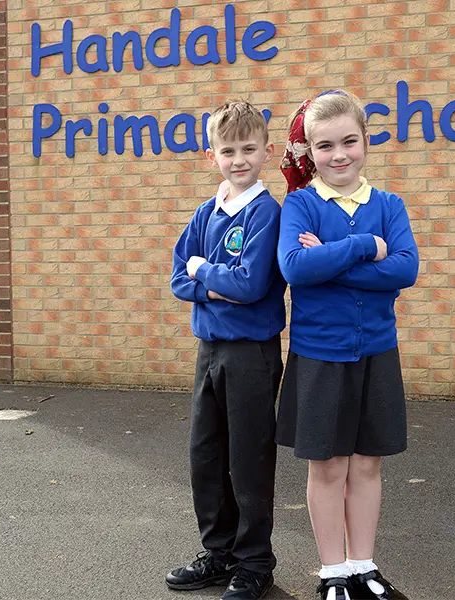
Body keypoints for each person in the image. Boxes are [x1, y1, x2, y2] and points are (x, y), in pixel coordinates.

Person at [276, 90, 419, 600]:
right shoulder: (299, 205)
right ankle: (332, 571)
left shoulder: (389, 204)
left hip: (377, 351)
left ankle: (363, 564)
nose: (339, 155)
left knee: (367, 462)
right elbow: (295, 268)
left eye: (350, 142)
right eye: (325, 146)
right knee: (329, 465)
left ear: (365, 141)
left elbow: (406, 268)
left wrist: (332, 264)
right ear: (309, 152)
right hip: (320, 356)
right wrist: (364, 248)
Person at [166, 100, 286, 600]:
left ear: (267, 151)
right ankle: (218, 554)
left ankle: (254, 562)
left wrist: (202, 271)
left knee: (248, 456)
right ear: (210, 155)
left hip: (251, 353)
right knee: (206, 454)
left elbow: (251, 284)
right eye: (228, 150)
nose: (239, 159)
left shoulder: (266, 212)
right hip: (209, 350)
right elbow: (176, 277)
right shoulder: (205, 211)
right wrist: (204, 279)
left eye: (249, 149)